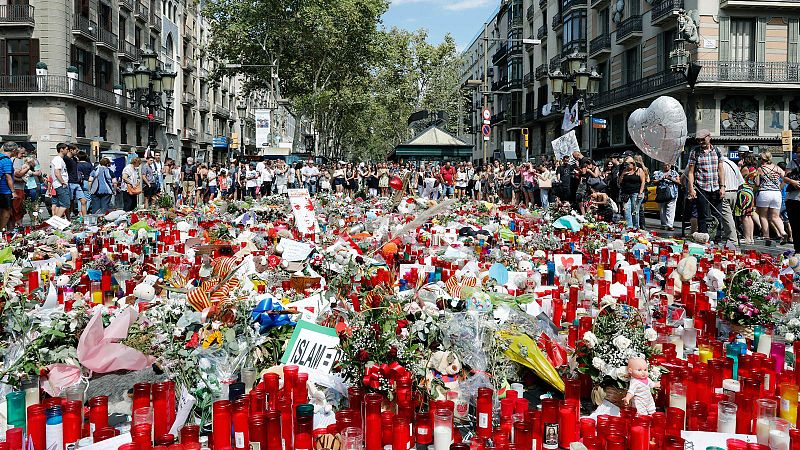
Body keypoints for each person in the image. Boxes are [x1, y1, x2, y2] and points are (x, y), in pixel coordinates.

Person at [687, 129, 726, 236]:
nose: (701, 142)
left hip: (715, 187)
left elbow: (721, 170)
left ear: (709, 137)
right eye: (698, 140)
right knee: (702, 215)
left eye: (703, 140)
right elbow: (690, 172)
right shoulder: (694, 152)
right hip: (701, 187)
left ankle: (717, 237)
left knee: (717, 215)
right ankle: (704, 237)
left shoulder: (717, 151)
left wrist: (722, 187)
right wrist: (691, 189)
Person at [755, 151, 788, 245]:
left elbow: (757, 184)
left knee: (763, 216)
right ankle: (783, 232)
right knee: (775, 216)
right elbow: (786, 178)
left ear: (762, 159)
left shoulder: (760, 169)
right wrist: (780, 187)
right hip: (777, 194)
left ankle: (766, 236)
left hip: (764, 193)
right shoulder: (777, 168)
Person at [735, 154, 760, 245]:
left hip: (743, 192)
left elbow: (737, 177)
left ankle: (746, 237)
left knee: (744, 216)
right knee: (749, 215)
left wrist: (739, 166)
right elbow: (757, 183)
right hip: (750, 191)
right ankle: (750, 237)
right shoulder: (755, 170)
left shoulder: (745, 169)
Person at [619, 156, 646, 229]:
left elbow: (643, 181)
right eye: (626, 164)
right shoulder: (625, 170)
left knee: (635, 210)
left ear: (633, 163)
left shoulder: (639, 170)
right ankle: (629, 226)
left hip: (636, 193)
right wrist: (622, 175)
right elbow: (620, 182)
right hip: (626, 193)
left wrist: (640, 192)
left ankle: (636, 226)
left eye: (628, 164)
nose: (627, 165)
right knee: (627, 210)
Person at [653, 163, 680, 231]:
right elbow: (654, 182)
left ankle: (670, 225)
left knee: (671, 209)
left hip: (673, 193)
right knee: (662, 209)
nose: (667, 166)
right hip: (662, 193)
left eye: (668, 165)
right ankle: (664, 224)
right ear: (662, 165)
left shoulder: (674, 173)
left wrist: (671, 179)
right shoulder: (658, 173)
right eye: (665, 165)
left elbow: (679, 182)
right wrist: (661, 179)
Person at [65, 145, 88, 218]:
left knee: (84, 200)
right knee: (69, 202)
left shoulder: (75, 159)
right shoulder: (66, 159)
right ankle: (68, 218)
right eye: (76, 150)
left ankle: (85, 218)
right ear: (71, 150)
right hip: (70, 182)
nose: (77, 152)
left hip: (77, 183)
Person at [784, 153, 800, 254]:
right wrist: (793, 182)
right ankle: (798, 249)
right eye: (798, 152)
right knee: (795, 225)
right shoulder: (792, 163)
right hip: (793, 199)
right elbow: (785, 178)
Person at [49, 143, 70, 218]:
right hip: (60, 184)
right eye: (66, 149)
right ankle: (56, 222)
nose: (68, 151)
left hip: (59, 184)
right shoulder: (58, 159)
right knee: (65, 204)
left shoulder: (59, 159)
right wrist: (63, 182)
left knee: (60, 204)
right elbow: (57, 172)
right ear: (61, 149)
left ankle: (57, 221)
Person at [10, 144, 28, 227]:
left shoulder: (24, 160)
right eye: (22, 153)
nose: (23, 155)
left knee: (21, 207)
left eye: (24, 153)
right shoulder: (13, 160)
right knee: (15, 208)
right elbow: (16, 174)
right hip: (16, 188)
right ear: (17, 152)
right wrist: (26, 170)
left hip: (22, 188)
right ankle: (15, 225)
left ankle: (19, 224)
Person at [0, 142, 17, 230]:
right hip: (4, 190)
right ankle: (0, 232)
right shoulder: (7, 160)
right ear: (14, 150)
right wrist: (13, 192)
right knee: (6, 212)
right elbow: (8, 177)